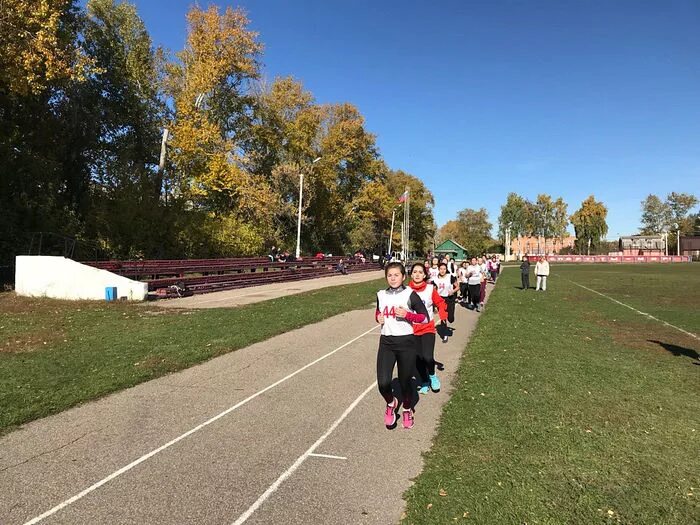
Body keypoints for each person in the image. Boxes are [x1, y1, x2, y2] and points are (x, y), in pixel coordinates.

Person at [375, 262, 430, 430]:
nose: (393, 278)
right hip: (386, 343)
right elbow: (379, 312)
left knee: (405, 384)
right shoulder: (381, 294)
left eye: (396, 275)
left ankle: (407, 409)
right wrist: (378, 317)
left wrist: (407, 315)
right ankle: (392, 403)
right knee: (383, 384)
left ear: (403, 276)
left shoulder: (410, 294)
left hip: (406, 343)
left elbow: (424, 317)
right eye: (389, 275)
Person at [408, 263, 447, 395]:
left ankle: (432, 376)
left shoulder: (430, 289)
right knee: (417, 358)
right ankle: (424, 381)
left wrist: (442, 313)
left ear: (425, 275)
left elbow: (440, 302)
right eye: (415, 272)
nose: (417, 274)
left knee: (428, 357)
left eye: (420, 272)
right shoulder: (406, 291)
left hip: (427, 328)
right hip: (411, 330)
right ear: (411, 274)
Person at [433, 262, 458, 342]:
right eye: (441, 269)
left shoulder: (450, 277)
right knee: (443, 317)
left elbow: (457, 287)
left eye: (444, 269)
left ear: (446, 269)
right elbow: (434, 290)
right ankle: (444, 334)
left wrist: (453, 291)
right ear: (438, 270)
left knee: (450, 319)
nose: (442, 271)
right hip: (440, 300)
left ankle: (449, 318)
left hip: (450, 298)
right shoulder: (435, 279)